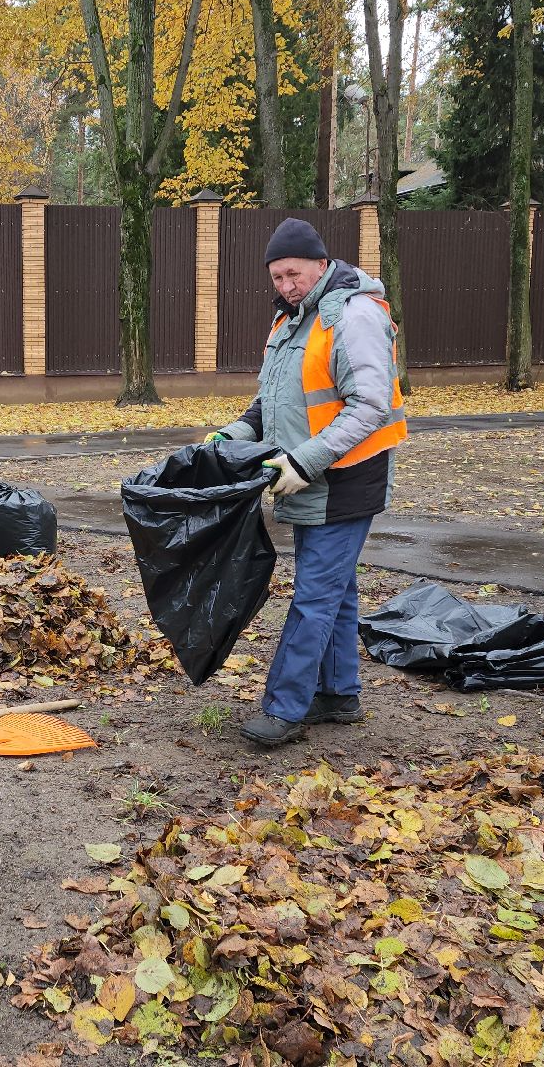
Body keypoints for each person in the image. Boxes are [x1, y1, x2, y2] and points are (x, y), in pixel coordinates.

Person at [207, 217, 407, 747]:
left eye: (293, 274)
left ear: (321, 264)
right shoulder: (291, 319)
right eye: (276, 278)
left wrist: (305, 461)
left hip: (343, 478)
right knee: (334, 592)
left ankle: (284, 708)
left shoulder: (354, 315)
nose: (286, 285)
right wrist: (236, 432)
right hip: (309, 475)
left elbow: (370, 406)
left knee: (315, 595)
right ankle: (339, 695)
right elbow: (272, 400)